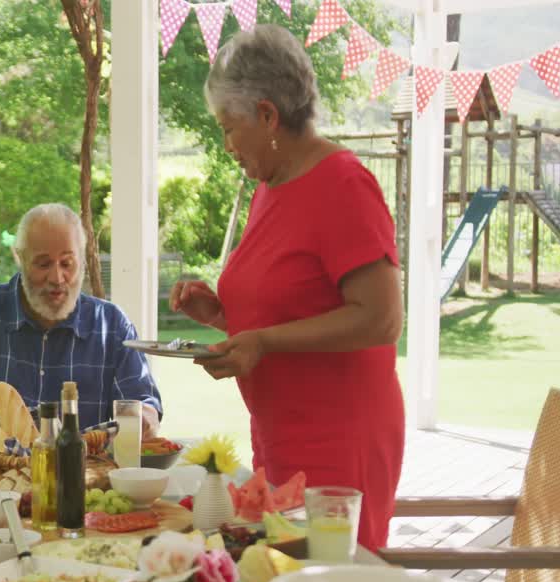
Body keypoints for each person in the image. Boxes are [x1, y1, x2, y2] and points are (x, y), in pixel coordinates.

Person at [171, 25, 404, 550]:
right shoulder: (270, 187)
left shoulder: (343, 183)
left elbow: (381, 318)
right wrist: (220, 316)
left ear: (268, 116)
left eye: (229, 128)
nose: (227, 145)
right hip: (282, 436)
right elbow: (291, 310)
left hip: (339, 443)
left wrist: (265, 341)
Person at [0, 203, 163, 433]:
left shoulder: (112, 325)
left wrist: (145, 418)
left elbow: (142, 401)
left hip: (84, 471)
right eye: (43, 264)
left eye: (67, 263)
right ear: (20, 258)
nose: (57, 278)